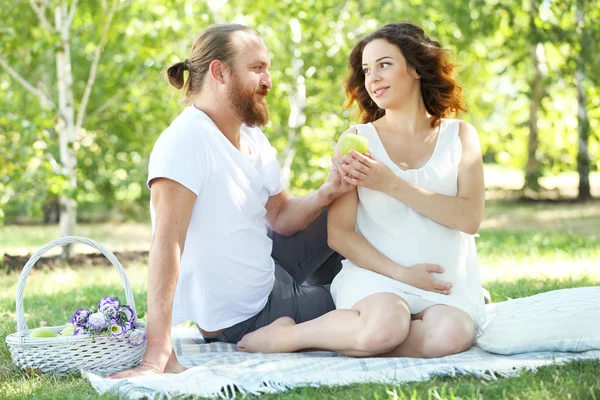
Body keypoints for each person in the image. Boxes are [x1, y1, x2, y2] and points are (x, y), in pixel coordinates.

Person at [110, 23, 353, 378]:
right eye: (257, 69)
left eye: (268, 69)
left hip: (270, 270)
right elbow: (167, 244)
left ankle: (359, 282)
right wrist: (158, 352)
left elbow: (283, 216)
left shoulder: (252, 136)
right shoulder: (186, 141)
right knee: (374, 309)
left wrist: (329, 191)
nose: (268, 80)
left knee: (349, 204)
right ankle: (324, 307)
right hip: (248, 314)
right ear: (219, 72)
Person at [237, 23, 487, 358]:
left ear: (415, 68)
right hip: (378, 279)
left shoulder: (460, 136)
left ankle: (356, 336)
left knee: (453, 336)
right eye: (367, 70)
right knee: (386, 324)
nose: (373, 79)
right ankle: (289, 336)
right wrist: (402, 274)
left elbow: (469, 219)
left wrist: (391, 184)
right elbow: (339, 235)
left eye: (384, 65)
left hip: (444, 285)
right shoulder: (357, 141)